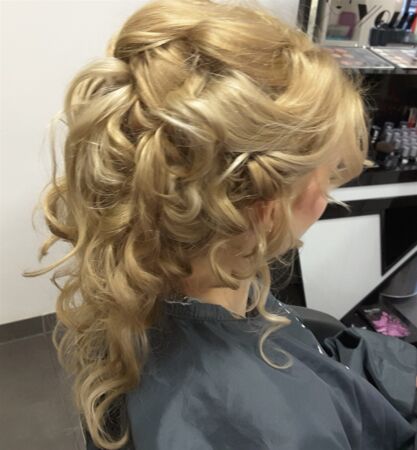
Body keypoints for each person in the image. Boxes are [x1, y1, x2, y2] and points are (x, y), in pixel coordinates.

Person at [23, 0, 417, 449]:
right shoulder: (251, 423)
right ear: (266, 208)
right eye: (328, 173)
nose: (327, 195)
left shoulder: (142, 281)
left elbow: (329, 364)